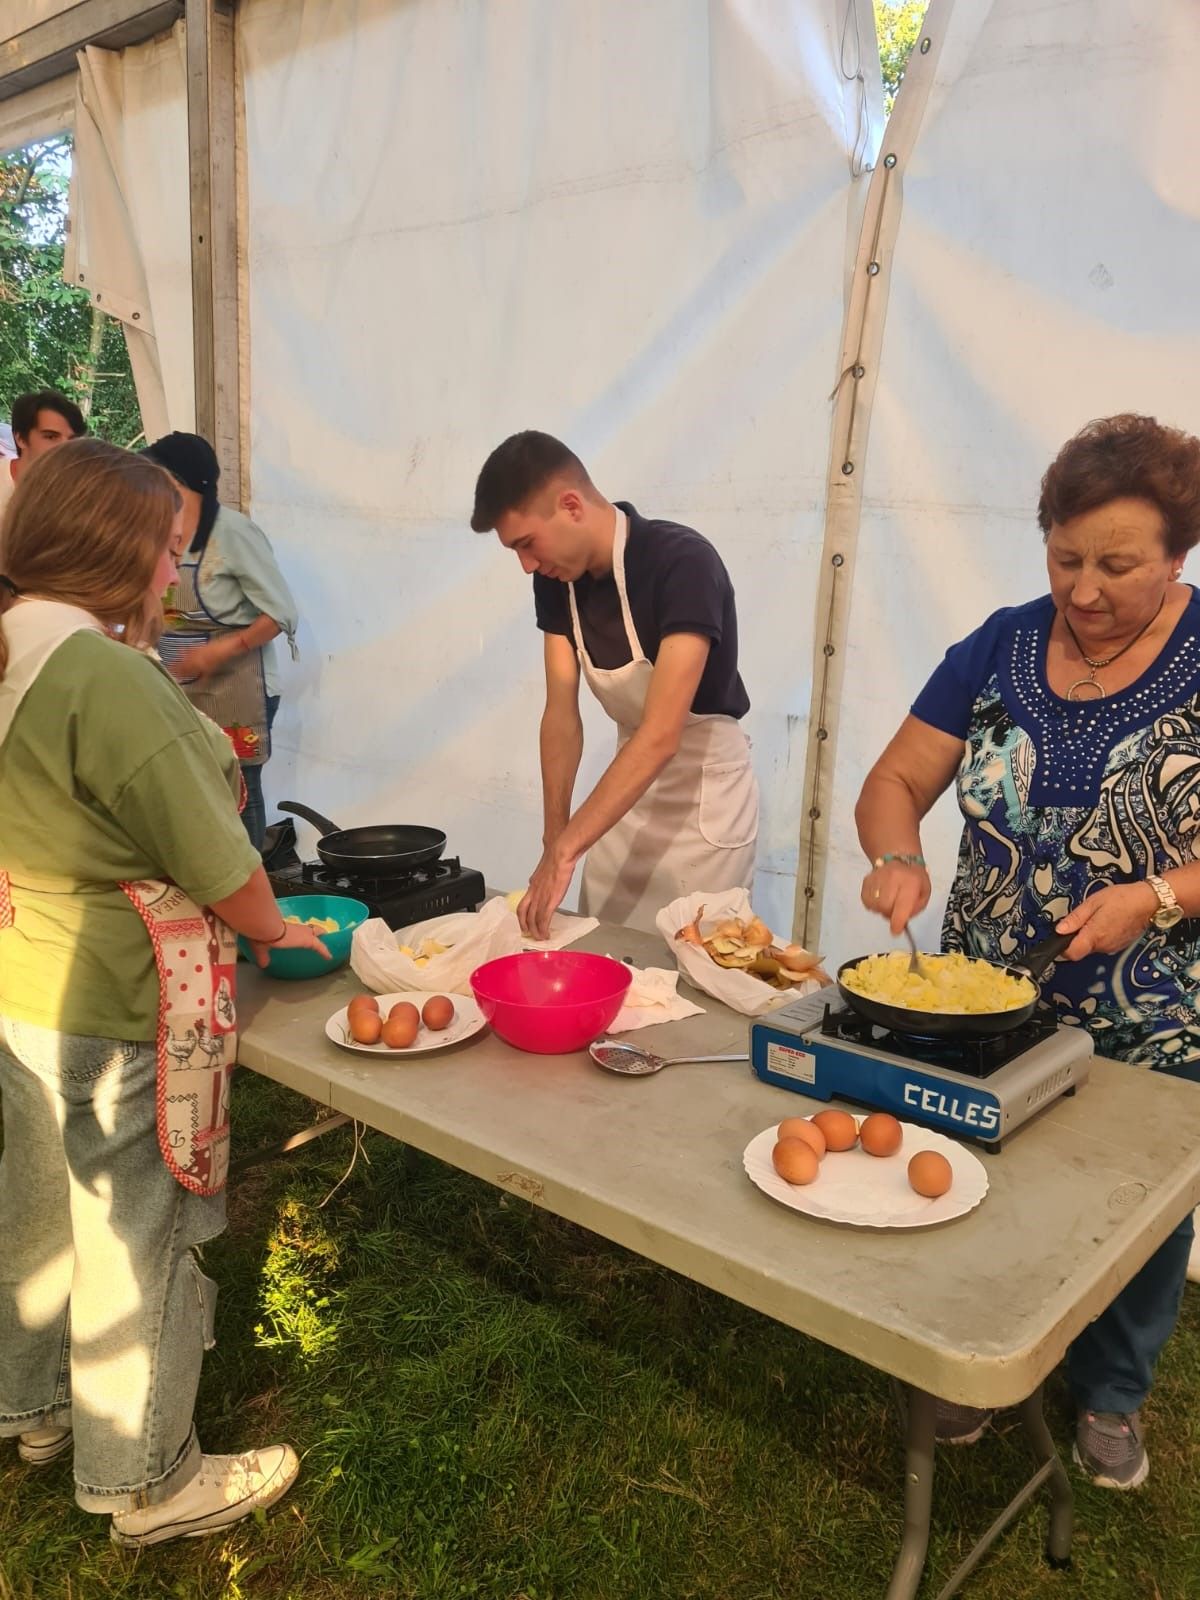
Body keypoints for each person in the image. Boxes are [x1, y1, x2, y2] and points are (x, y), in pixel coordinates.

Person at [855, 412, 1200, 1490]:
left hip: (1158, 1001)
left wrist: (1156, 893)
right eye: (1065, 557)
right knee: (980, 1172)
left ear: (1179, 554)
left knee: (1139, 1204)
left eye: (1117, 564)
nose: (1084, 589)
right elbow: (895, 780)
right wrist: (897, 852)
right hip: (986, 994)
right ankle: (976, 1358)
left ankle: (1111, 1391)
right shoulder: (999, 643)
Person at [0, 438, 329, 1544]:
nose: (169, 579)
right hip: (116, 998)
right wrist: (283, 932)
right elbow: (222, 862)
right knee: (138, 1232)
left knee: (42, 1213)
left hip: (28, 987)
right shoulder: (102, 673)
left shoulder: (16, 648)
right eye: (163, 554)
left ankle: (36, 1408)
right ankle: (147, 1479)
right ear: (118, 550)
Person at [471, 431, 759, 937]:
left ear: (570, 505)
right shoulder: (556, 580)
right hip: (625, 800)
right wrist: (554, 837)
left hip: (702, 798)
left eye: (526, 544)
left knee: (694, 965)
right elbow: (561, 716)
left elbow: (661, 733)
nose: (527, 565)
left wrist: (567, 850)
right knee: (599, 948)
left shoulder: (683, 564)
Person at [141, 432, 299, 852]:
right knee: (189, 783)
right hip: (178, 679)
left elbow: (280, 612)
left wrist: (221, 650)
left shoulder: (233, 533)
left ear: (179, 481)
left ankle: (252, 890)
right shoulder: (160, 529)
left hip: (237, 685)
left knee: (239, 787)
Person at [0, 389, 86, 520]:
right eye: (51, 437)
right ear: (20, 439)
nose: (64, 447)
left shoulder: (80, 492)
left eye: (72, 439)